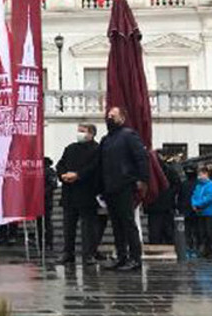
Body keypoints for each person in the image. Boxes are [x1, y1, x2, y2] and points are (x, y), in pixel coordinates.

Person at [97, 106, 150, 271]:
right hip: (109, 187)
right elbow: (101, 164)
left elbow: (141, 158)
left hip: (125, 185)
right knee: (117, 224)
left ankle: (135, 259)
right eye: (108, 116)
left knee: (128, 223)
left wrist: (142, 179)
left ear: (122, 118)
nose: (109, 118)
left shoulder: (129, 135)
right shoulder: (105, 140)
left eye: (113, 116)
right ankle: (121, 257)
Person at [55, 123, 100, 266]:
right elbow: (60, 164)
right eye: (78, 131)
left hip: (87, 192)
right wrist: (62, 175)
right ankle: (68, 253)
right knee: (68, 226)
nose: (79, 133)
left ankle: (89, 254)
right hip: (69, 193)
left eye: (82, 131)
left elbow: (94, 167)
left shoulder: (97, 149)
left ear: (91, 134)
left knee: (88, 227)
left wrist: (78, 175)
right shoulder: (70, 148)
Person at [146, 150, 180, 245]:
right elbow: (177, 185)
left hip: (156, 206)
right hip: (164, 206)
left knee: (156, 233)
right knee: (166, 232)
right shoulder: (169, 170)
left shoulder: (151, 171)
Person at [191, 164, 212, 259]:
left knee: (210, 232)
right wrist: (194, 203)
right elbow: (194, 195)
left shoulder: (211, 186)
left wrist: (198, 204)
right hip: (201, 213)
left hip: (210, 213)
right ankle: (205, 250)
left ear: (206, 174)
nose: (199, 176)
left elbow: (209, 198)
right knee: (202, 232)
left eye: (201, 174)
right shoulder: (198, 186)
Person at [178, 163, 201, 256]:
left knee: (188, 231)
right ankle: (195, 248)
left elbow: (180, 197)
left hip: (187, 210)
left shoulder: (184, 184)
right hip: (196, 210)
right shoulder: (199, 183)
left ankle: (190, 248)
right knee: (196, 230)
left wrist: (180, 208)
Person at [39, 157, 58, 252]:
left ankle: (47, 242)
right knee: (43, 222)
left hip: (46, 200)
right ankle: (43, 242)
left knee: (46, 222)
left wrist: (43, 192)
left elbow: (53, 185)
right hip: (43, 200)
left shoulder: (49, 172)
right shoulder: (49, 171)